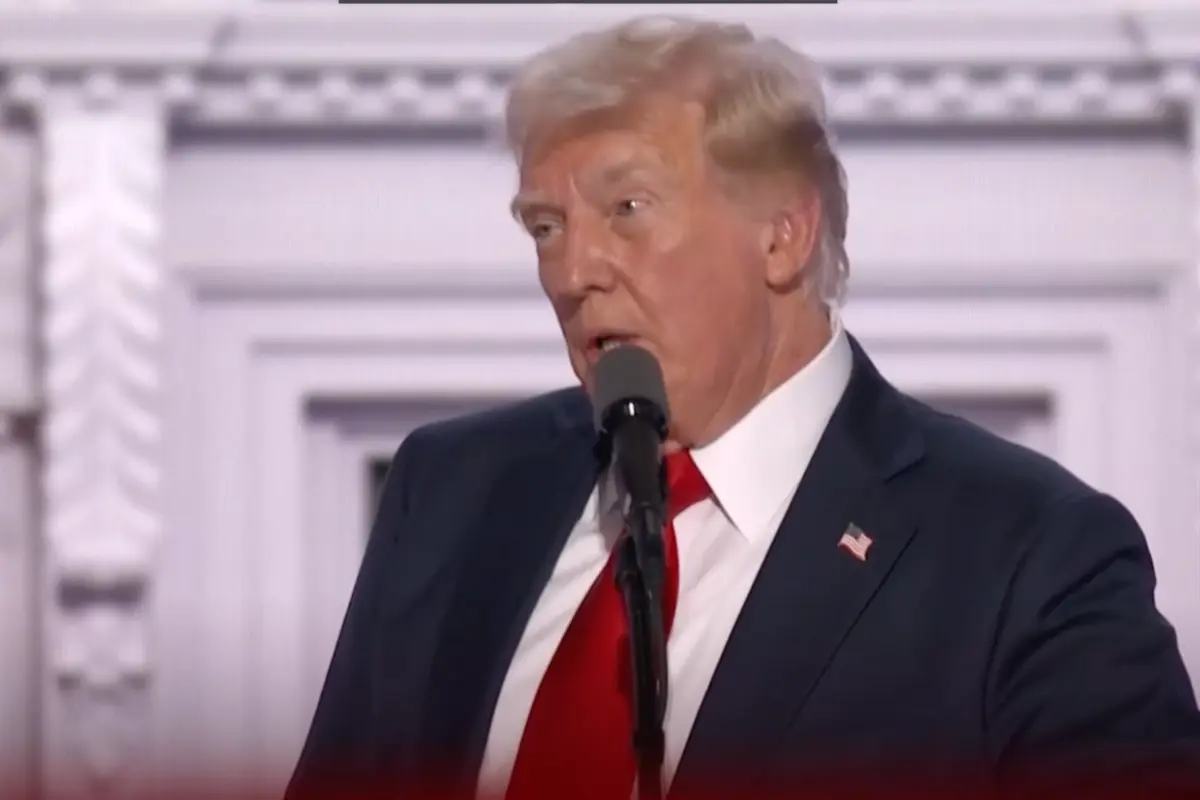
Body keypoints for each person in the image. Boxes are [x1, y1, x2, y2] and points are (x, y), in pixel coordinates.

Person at [286, 15, 1200, 800]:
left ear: (784, 233)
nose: (571, 273)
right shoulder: (450, 494)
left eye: (628, 208)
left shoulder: (1028, 554)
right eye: (545, 227)